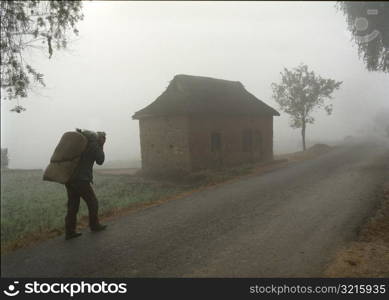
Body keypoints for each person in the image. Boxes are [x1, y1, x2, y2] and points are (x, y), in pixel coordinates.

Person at [64, 130, 107, 240]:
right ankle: (94, 225)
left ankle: (70, 231)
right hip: (81, 180)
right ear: (99, 138)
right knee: (93, 202)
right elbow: (100, 160)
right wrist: (101, 145)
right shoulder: (93, 145)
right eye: (103, 138)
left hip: (69, 179)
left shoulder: (80, 144)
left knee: (73, 206)